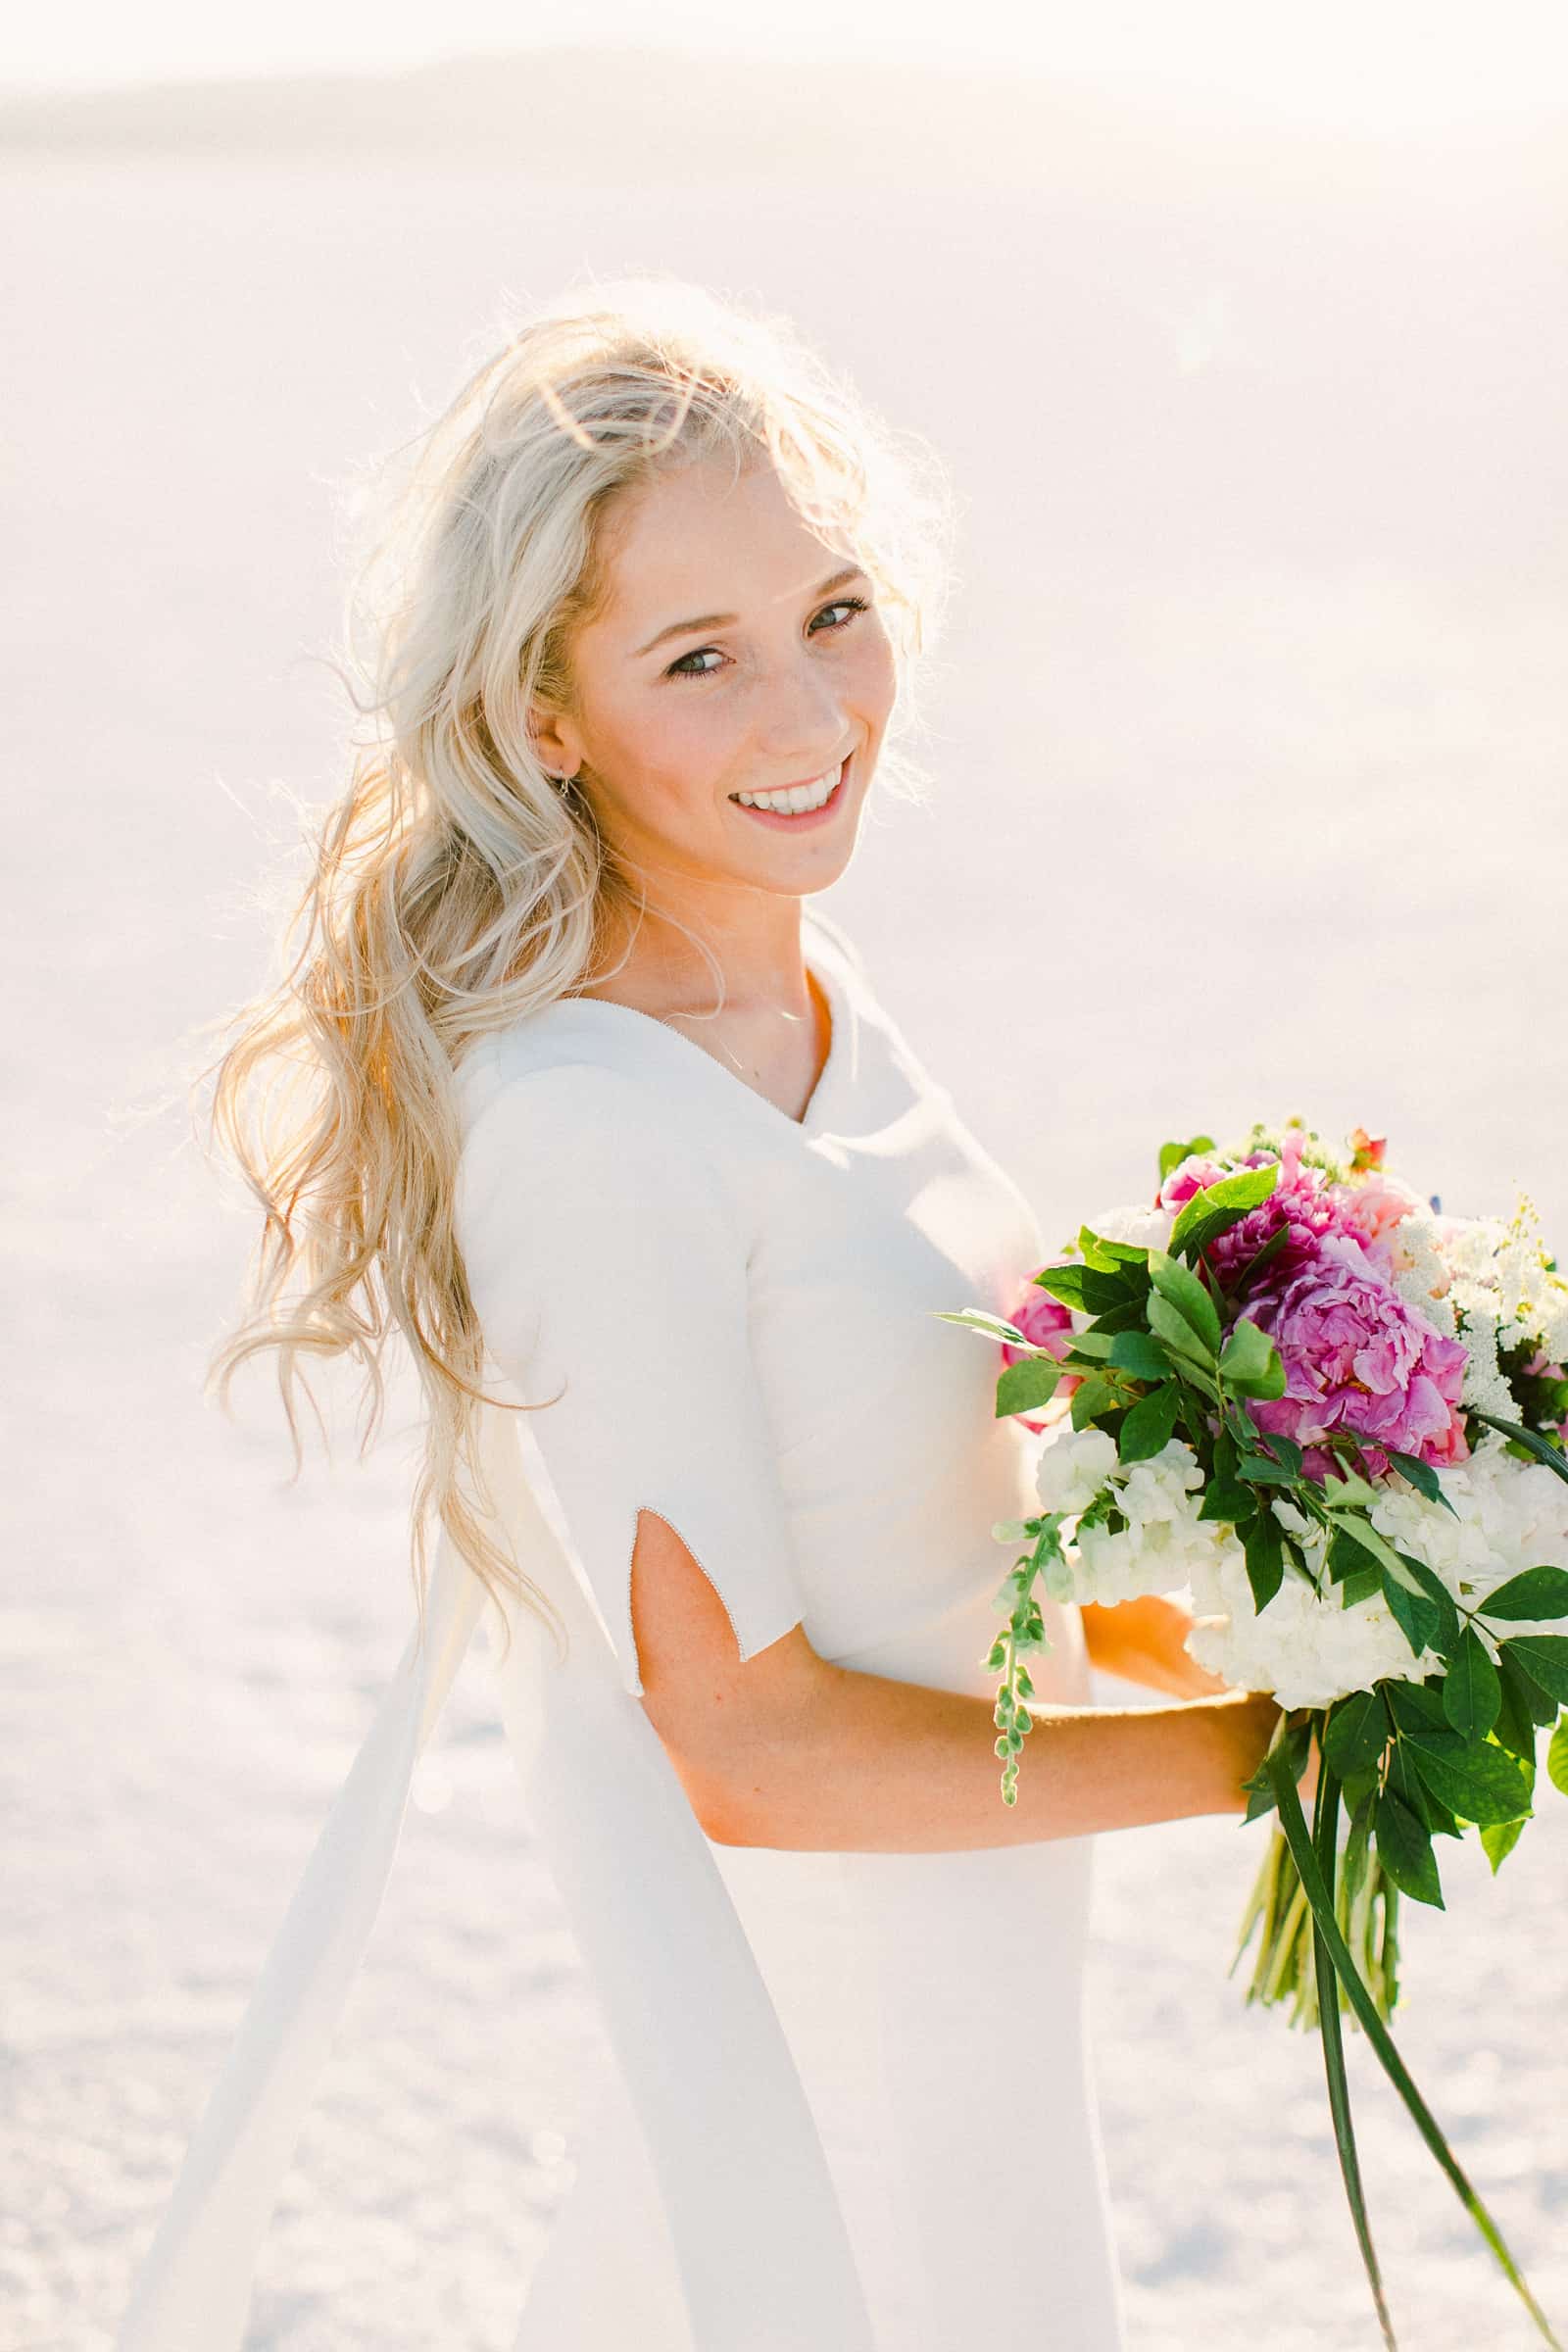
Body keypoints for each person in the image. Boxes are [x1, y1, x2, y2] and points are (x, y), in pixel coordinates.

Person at [116, 277, 1291, 2352]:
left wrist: (1338, 1589)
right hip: (830, 2048)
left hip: (981, 1983)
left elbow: (932, 1509)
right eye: (698, 658)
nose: (808, 716)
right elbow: (744, 1748)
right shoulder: (586, 1129)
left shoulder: (805, 998)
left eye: (835, 610)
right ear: (540, 717)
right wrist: (1266, 1755)